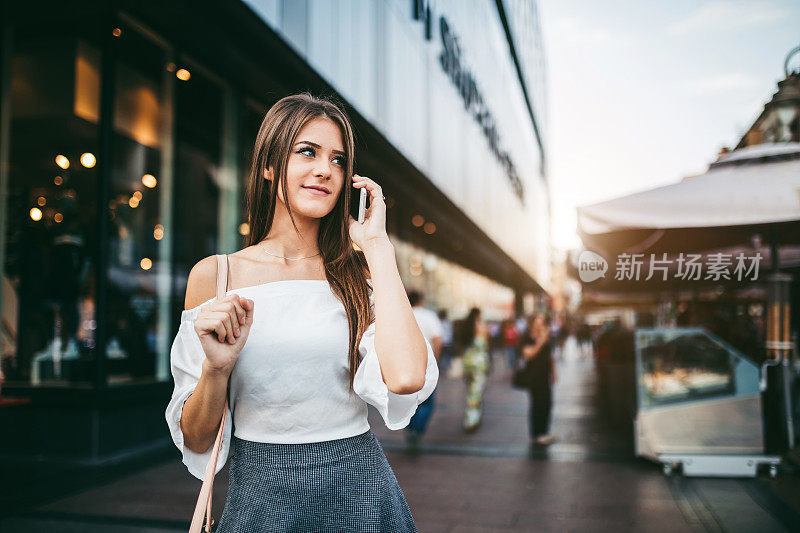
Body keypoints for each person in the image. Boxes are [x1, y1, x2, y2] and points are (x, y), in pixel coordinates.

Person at [165, 93, 438, 532]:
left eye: (337, 160)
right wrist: (216, 370)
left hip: (360, 492)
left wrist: (378, 247)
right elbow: (197, 438)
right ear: (271, 165)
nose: (324, 169)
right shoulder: (217, 275)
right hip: (261, 496)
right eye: (306, 152)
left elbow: (407, 378)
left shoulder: (357, 279)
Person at [405, 290, 444, 451]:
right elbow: (438, 340)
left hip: (405, 363)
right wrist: (435, 360)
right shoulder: (429, 316)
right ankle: (418, 429)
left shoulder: (403, 315)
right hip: (425, 363)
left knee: (408, 400)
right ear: (421, 300)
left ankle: (410, 428)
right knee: (427, 401)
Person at [520, 313, 557, 445]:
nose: (540, 322)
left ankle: (544, 432)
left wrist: (554, 372)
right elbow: (528, 354)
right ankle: (536, 434)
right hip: (533, 376)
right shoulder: (527, 337)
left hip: (545, 375)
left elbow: (550, 356)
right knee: (537, 404)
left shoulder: (546, 336)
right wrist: (541, 341)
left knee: (547, 403)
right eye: (538, 319)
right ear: (532, 322)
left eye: (542, 320)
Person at [460, 307, 490, 433]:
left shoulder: (465, 328)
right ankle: (471, 420)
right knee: (476, 393)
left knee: (470, 391)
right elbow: (486, 346)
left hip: (467, 363)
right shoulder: (482, 328)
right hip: (479, 364)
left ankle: (471, 416)